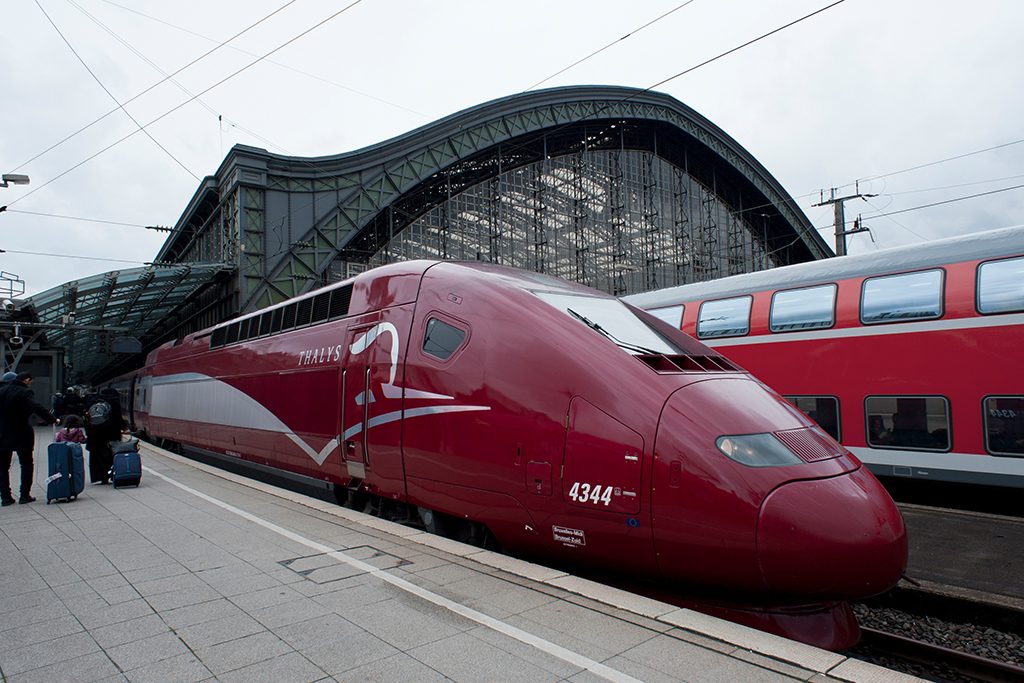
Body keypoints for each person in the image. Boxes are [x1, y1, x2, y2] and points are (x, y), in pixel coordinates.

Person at [0, 372, 58, 505]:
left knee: (2, 467)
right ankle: (24, 495)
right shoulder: (23, 392)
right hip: (21, 433)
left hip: (2, 434)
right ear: (25, 380)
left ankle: (5, 497)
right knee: (26, 464)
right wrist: (52, 419)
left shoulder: (1, 391)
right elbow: (35, 407)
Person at [84, 387, 126, 485]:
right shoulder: (114, 401)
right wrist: (124, 428)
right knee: (110, 454)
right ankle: (112, 474)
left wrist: (88, 432)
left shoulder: (92, 401)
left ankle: (100, 477)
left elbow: (86, 419)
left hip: (94, 436)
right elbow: (117, 417)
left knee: (96, 456)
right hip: (111, 434)